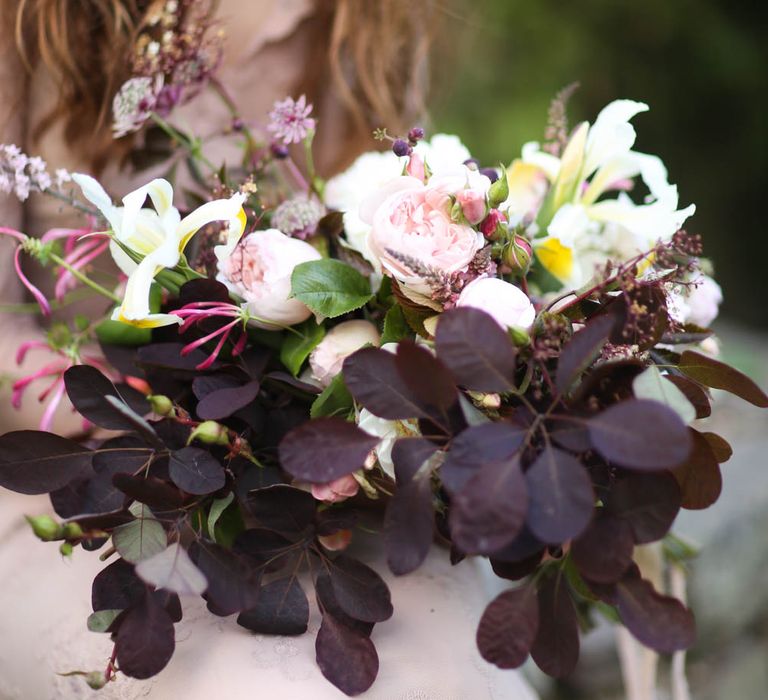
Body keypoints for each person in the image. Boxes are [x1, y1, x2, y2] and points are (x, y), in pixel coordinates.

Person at [0, 2, 540, 698]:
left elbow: (390, 252)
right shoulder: (29, 22)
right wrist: (132, 413)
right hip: (79, 476)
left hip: (299, 487)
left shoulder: (364, 21)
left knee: (438, 671)